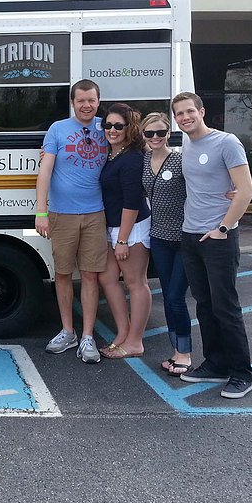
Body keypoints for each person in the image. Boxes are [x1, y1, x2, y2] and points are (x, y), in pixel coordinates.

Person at [172, 91, 252, 399]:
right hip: (191, 235)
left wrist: (222, 228)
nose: (185, 117)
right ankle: (216, 363)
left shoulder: (226, 142)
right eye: (179, 114)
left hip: (218, 237)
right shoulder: (187, 145)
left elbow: (246, 190)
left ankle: (242, 373)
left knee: (225, 306)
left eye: (189, 111)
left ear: (202, 111)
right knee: (204, 305)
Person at [35, 79, 110, 363]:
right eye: (81, 100)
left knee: (90, 275)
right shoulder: (58, 129)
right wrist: (41, 211)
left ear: (98, 101)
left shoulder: (108, 128)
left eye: (91, 100)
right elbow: (45, 171)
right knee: (63, 274)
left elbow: (134, 148)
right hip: (62, 214)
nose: (86, 105)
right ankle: (68, 331)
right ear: (72, 102)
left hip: (96, 213)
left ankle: (88, 336)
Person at [98, 103, 153, 360]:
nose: (112, 130)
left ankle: (135, 341)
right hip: (113, 227)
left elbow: (132, 201)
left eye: (118, 126)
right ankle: (122, 334)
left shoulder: (132, 158)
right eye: (108, 125)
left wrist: (122, 240)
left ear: (129, 128)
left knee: (135, 283)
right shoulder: (112, 154)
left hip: (132, 228)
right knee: (108, 279)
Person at [141, 112, 193, 376]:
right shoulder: (144, 159)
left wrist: (231, 191)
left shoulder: (181, 160)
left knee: (175, 297)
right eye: (150, 133)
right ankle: (176, 350)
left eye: (161, 132)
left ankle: (185, 354)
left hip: (184, 238)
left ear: (169, 134)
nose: (155, 137)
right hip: (158, 238)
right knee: (168, 296)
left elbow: (204, 183)